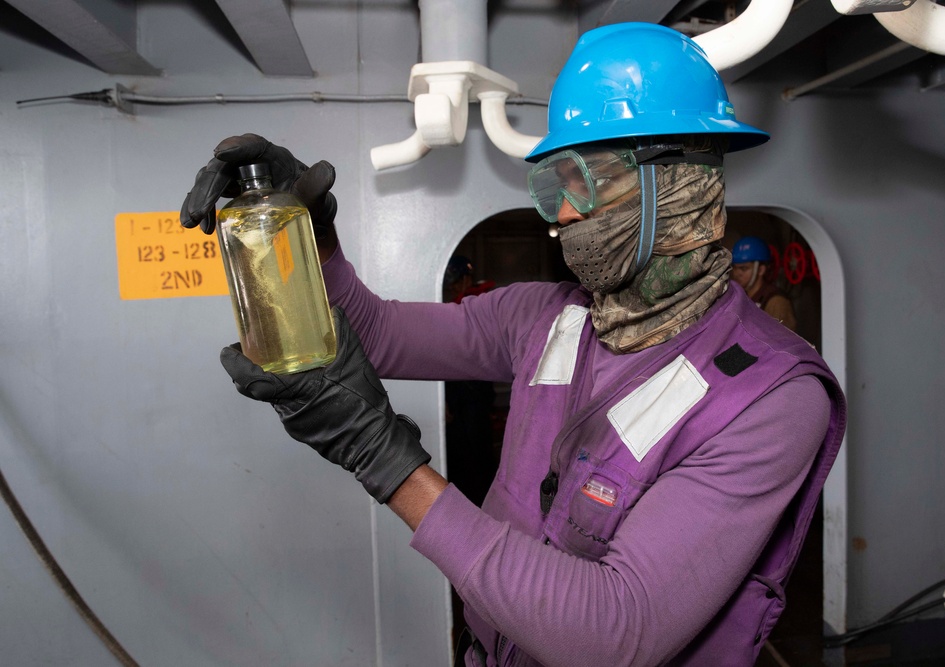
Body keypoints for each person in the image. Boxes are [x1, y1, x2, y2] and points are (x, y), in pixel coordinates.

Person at [180, 22, 846, 667]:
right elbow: (376, 334)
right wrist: (304, 230)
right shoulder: (543, 315)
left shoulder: (771, 398)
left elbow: (616, 632)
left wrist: (387, 463)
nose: (560, 212)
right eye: (555, 184)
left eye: (590, 180)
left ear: (680, 183)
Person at [442, 255, 498, 507]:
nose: (454, 287)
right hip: (460, 390)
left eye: (456, 282)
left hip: (474, 390)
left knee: (476, 453)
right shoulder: (454, 306)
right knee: (462, 453)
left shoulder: (477, 302)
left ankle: (480, 504)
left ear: (466, 279)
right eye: (450, 284)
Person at [730, 235, 798, 331]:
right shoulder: (740, 297)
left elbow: (782, 341)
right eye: (735, 267)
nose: (737, 273)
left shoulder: (776, 302)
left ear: (760, 270)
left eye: (743, 268)